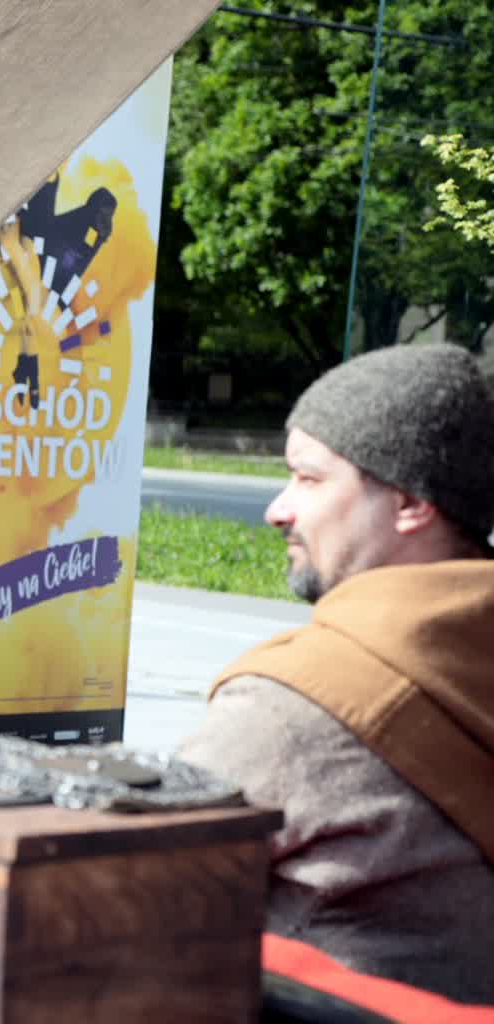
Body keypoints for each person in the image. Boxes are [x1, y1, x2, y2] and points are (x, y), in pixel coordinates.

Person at [178, 343, 494, 1003]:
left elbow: (125, 880)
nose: (277, 509)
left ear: (409, 503)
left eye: (309, 478)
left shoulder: (297, 706)